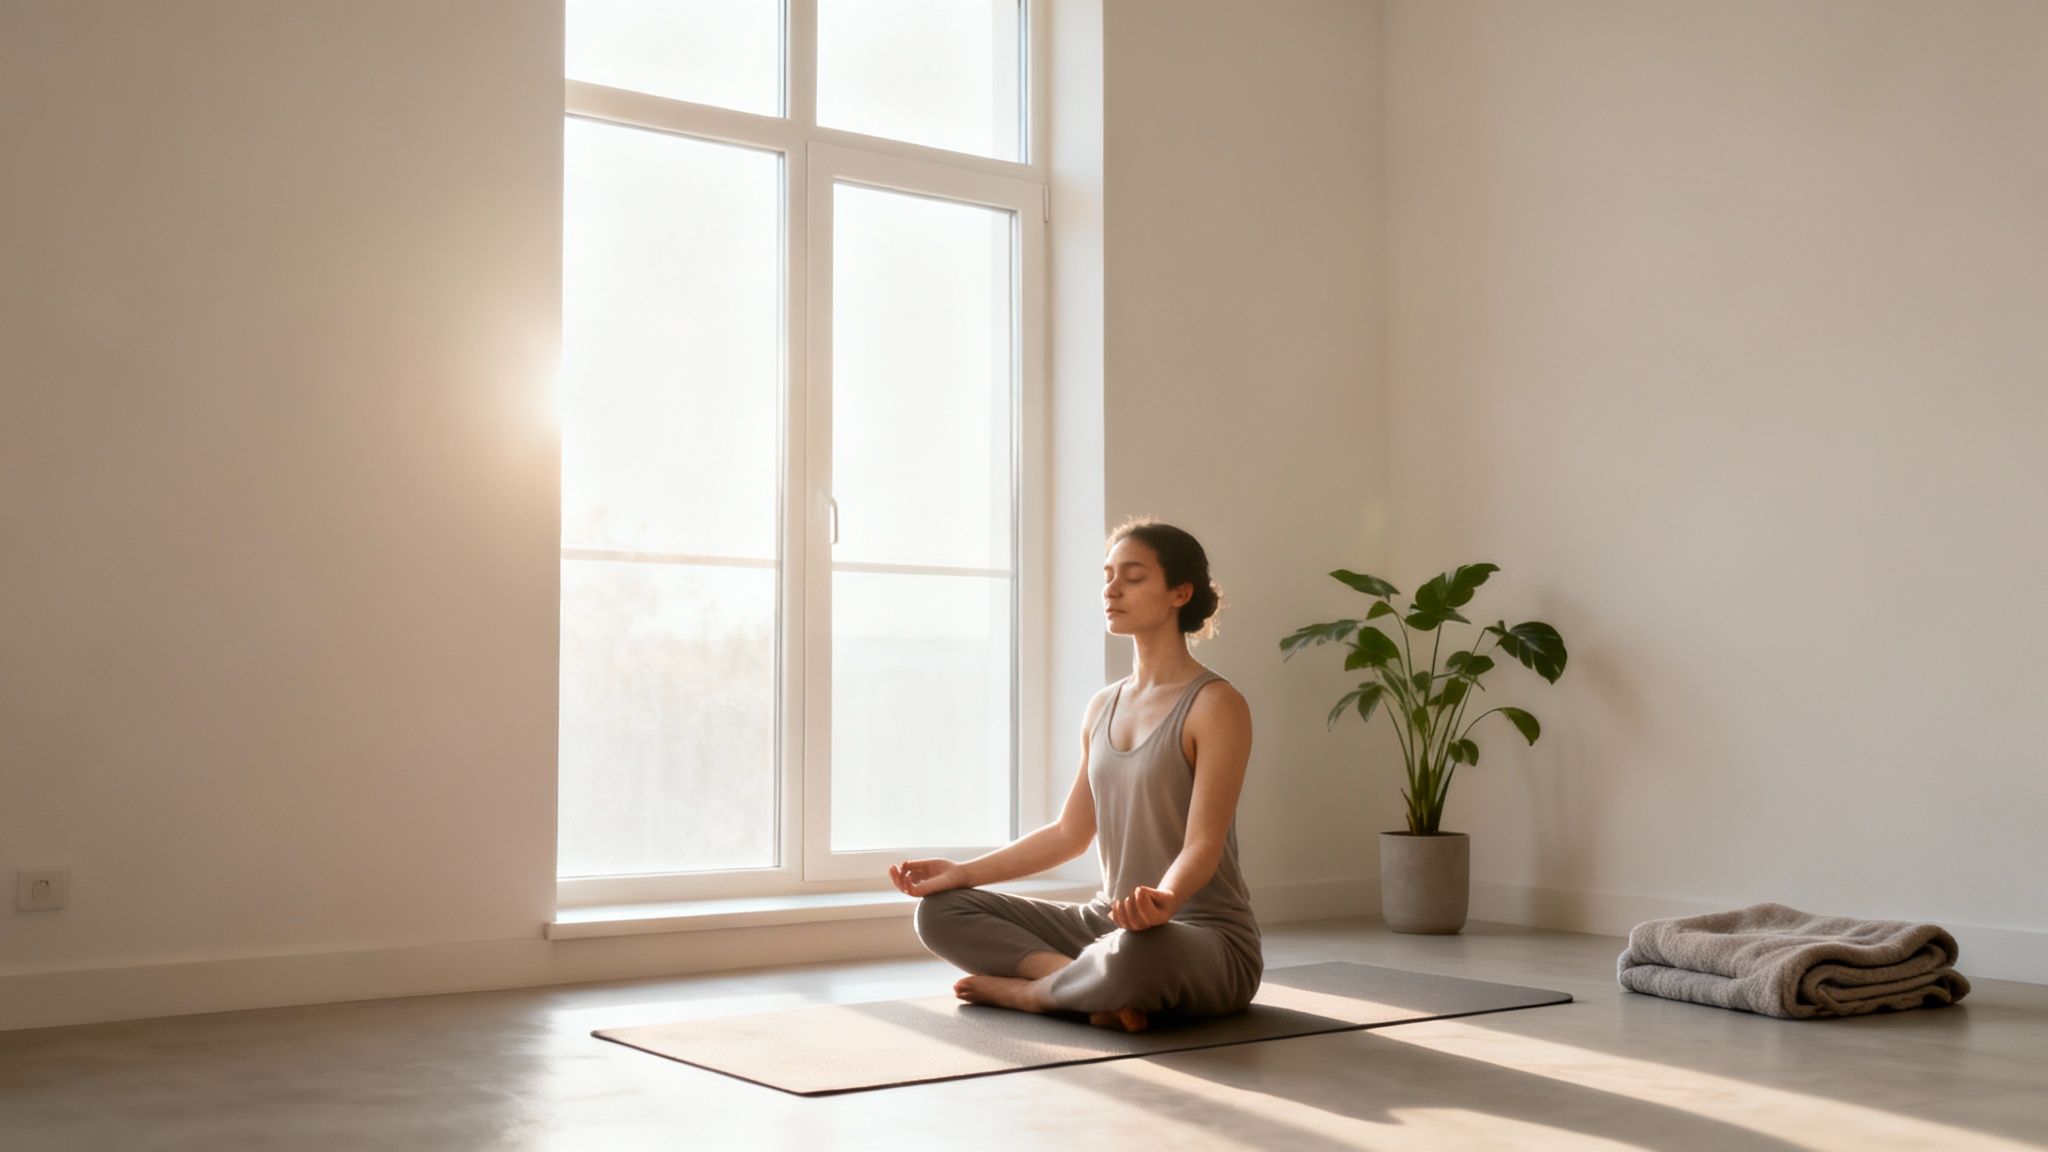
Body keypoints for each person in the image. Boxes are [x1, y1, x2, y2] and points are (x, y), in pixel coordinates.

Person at [889, 517, 1260, 1033]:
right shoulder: (1102, 706)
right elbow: (1069, 834)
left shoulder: (1217, 705)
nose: (1111, 589)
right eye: (1108, 575)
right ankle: (1086, 988)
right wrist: (964, 874)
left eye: (1133, 577)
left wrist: (1165, 902)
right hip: (1107, 925)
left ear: (1180, 592)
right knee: (938, 912)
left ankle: (1037, 995)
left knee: (1134, 951)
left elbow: (1203, 844)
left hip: (1197, 935)